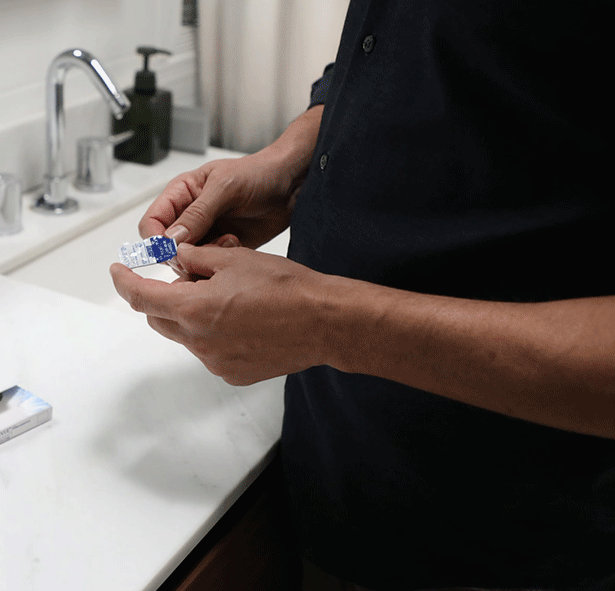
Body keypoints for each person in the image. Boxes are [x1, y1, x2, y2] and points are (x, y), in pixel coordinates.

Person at [110, 2, 614, 590]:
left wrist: (325, 322)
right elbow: (408, 55)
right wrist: (292, 162)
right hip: (339, 501)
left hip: (524, 549)